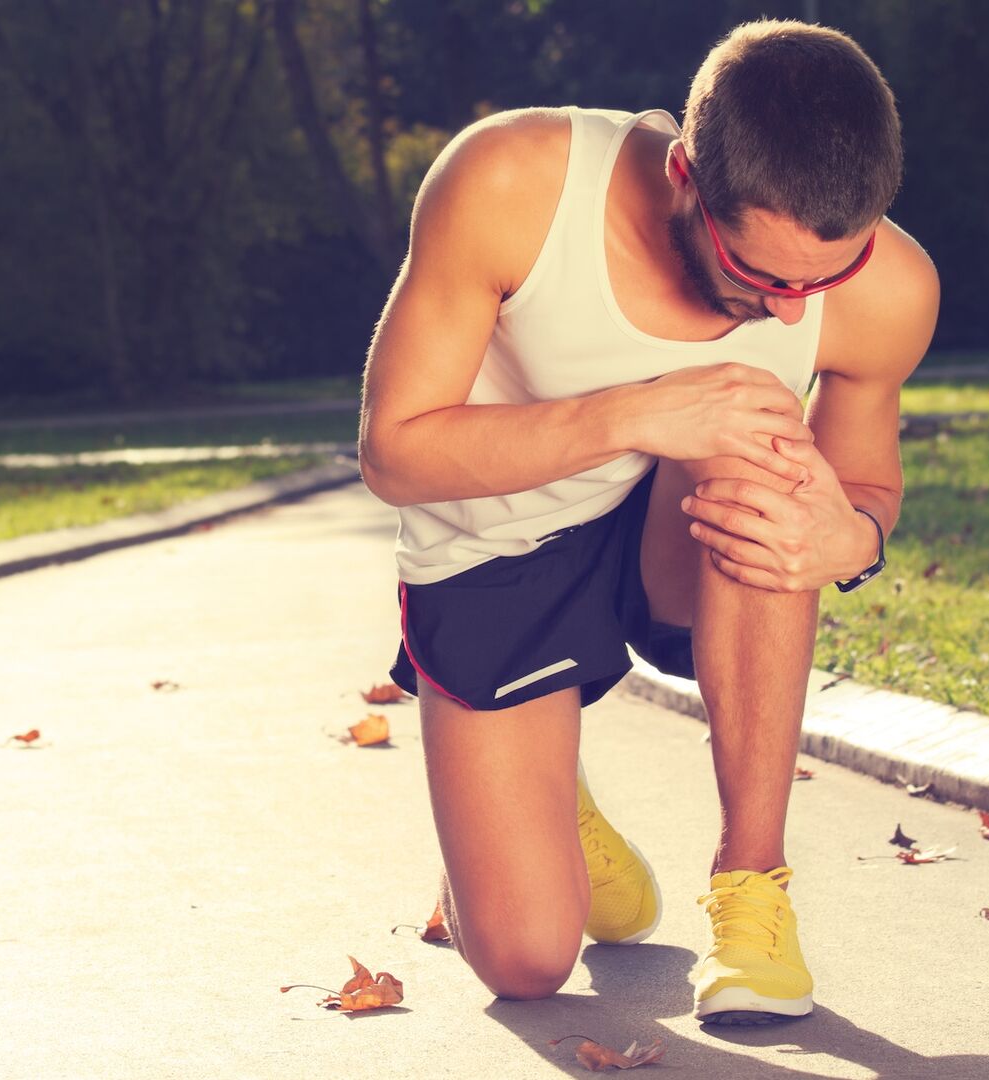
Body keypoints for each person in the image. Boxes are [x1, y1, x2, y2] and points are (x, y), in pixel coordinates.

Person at [357, 18, 938, 1024]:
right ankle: (550, 790)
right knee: (530, 959)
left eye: (823, 279)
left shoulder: (887, 291)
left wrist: (856, 540)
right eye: (761, 277)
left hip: (684, 533)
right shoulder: (513, 183)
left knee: (763, 454)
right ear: (683, 175)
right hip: (494, 542)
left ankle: (752, 896)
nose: (795, 311)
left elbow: (861, 486)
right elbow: (395, 453)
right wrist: (634, 411)